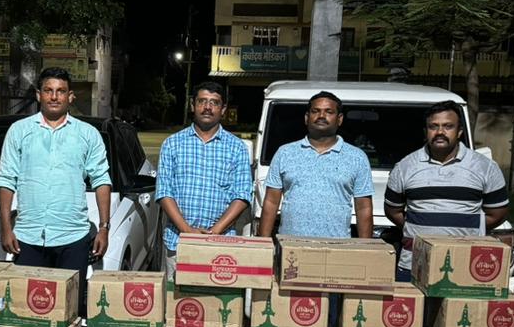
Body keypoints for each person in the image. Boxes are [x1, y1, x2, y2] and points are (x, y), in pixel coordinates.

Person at [385, 100, 510, 327]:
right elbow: (394, 210)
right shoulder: (406, 166)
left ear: (460, 131)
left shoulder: (484, 167)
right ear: (426, 131)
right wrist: (423, 233)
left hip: (465, 270)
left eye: (447, 126)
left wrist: (464, 235)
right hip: (414, 267)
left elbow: (497, 212)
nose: (440, 132)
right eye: (434, 126)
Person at [0, 68, 111, 312]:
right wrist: (6, 228)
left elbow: (101, 180)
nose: (55, 96)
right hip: (28, 237)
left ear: (70, 96)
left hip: (73, 238)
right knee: (28, 310)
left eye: (61, 91)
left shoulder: (87, 134)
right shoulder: (19, 131)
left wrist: (104, 227)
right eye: (48, 90)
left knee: (69, 310)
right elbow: (6, 179)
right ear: (39, 95)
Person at [154, 81, 253, 279]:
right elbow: (164, 192)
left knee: (217, 298)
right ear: (193, 105)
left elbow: (242, 195)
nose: (207, 107)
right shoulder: (172, 144)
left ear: (223, 109)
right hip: (178, 242)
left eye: (214, 102)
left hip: (221, 245)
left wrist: (215, 232)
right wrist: (187, 231)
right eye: (202, 101)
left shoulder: (236, 148)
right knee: (176, 296)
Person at [258, 91, 374, 239]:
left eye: (329, 112)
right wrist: (264, 243)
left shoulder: (357, 157)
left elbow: (363, 208)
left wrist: (366, 247)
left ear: (339, 119)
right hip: (290, 245)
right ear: (307, 118)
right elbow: (271, 202)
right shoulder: (285, 153)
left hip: (337, 246)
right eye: (315, 111)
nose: (321, 116)